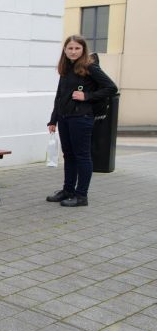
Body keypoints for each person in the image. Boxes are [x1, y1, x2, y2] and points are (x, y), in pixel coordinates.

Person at [45, 35, 117, 207]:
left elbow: (111, 88)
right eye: (70, 48)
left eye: (77, 48)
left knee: (82, 157)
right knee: (68, 156)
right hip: (65, 118)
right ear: (65, 50)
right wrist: (53, 119)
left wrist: (87, 96)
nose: (73, 51)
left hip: (81, 118)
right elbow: (60, 96)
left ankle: (81, 196)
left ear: (83, 50)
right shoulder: (66, 67)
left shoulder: (90, 67)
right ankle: (68, 190)